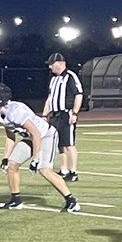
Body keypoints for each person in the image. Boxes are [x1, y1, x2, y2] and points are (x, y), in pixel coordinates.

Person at [0, 82, 79, 213]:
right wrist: (5, 158)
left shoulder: (16, 111)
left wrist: (35, 159)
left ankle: (71, 201)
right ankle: (15, 200)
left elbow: (36, 133)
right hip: (30, 138)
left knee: (44, 170)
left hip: (46, 135)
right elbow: (10, 137)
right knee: (12, 164)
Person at [41, 52, 84, 181]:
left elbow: (79, 94)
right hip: (55, 115)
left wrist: (75, 113)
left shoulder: (70, 76)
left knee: (69, 143)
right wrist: (45, 115)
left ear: (60, 63)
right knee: (59, 144)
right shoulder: (54, 79)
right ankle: (64, 170)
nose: (50, 67)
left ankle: (73, 172)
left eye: (51, 64)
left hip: (66, 113)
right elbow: (50, 98)